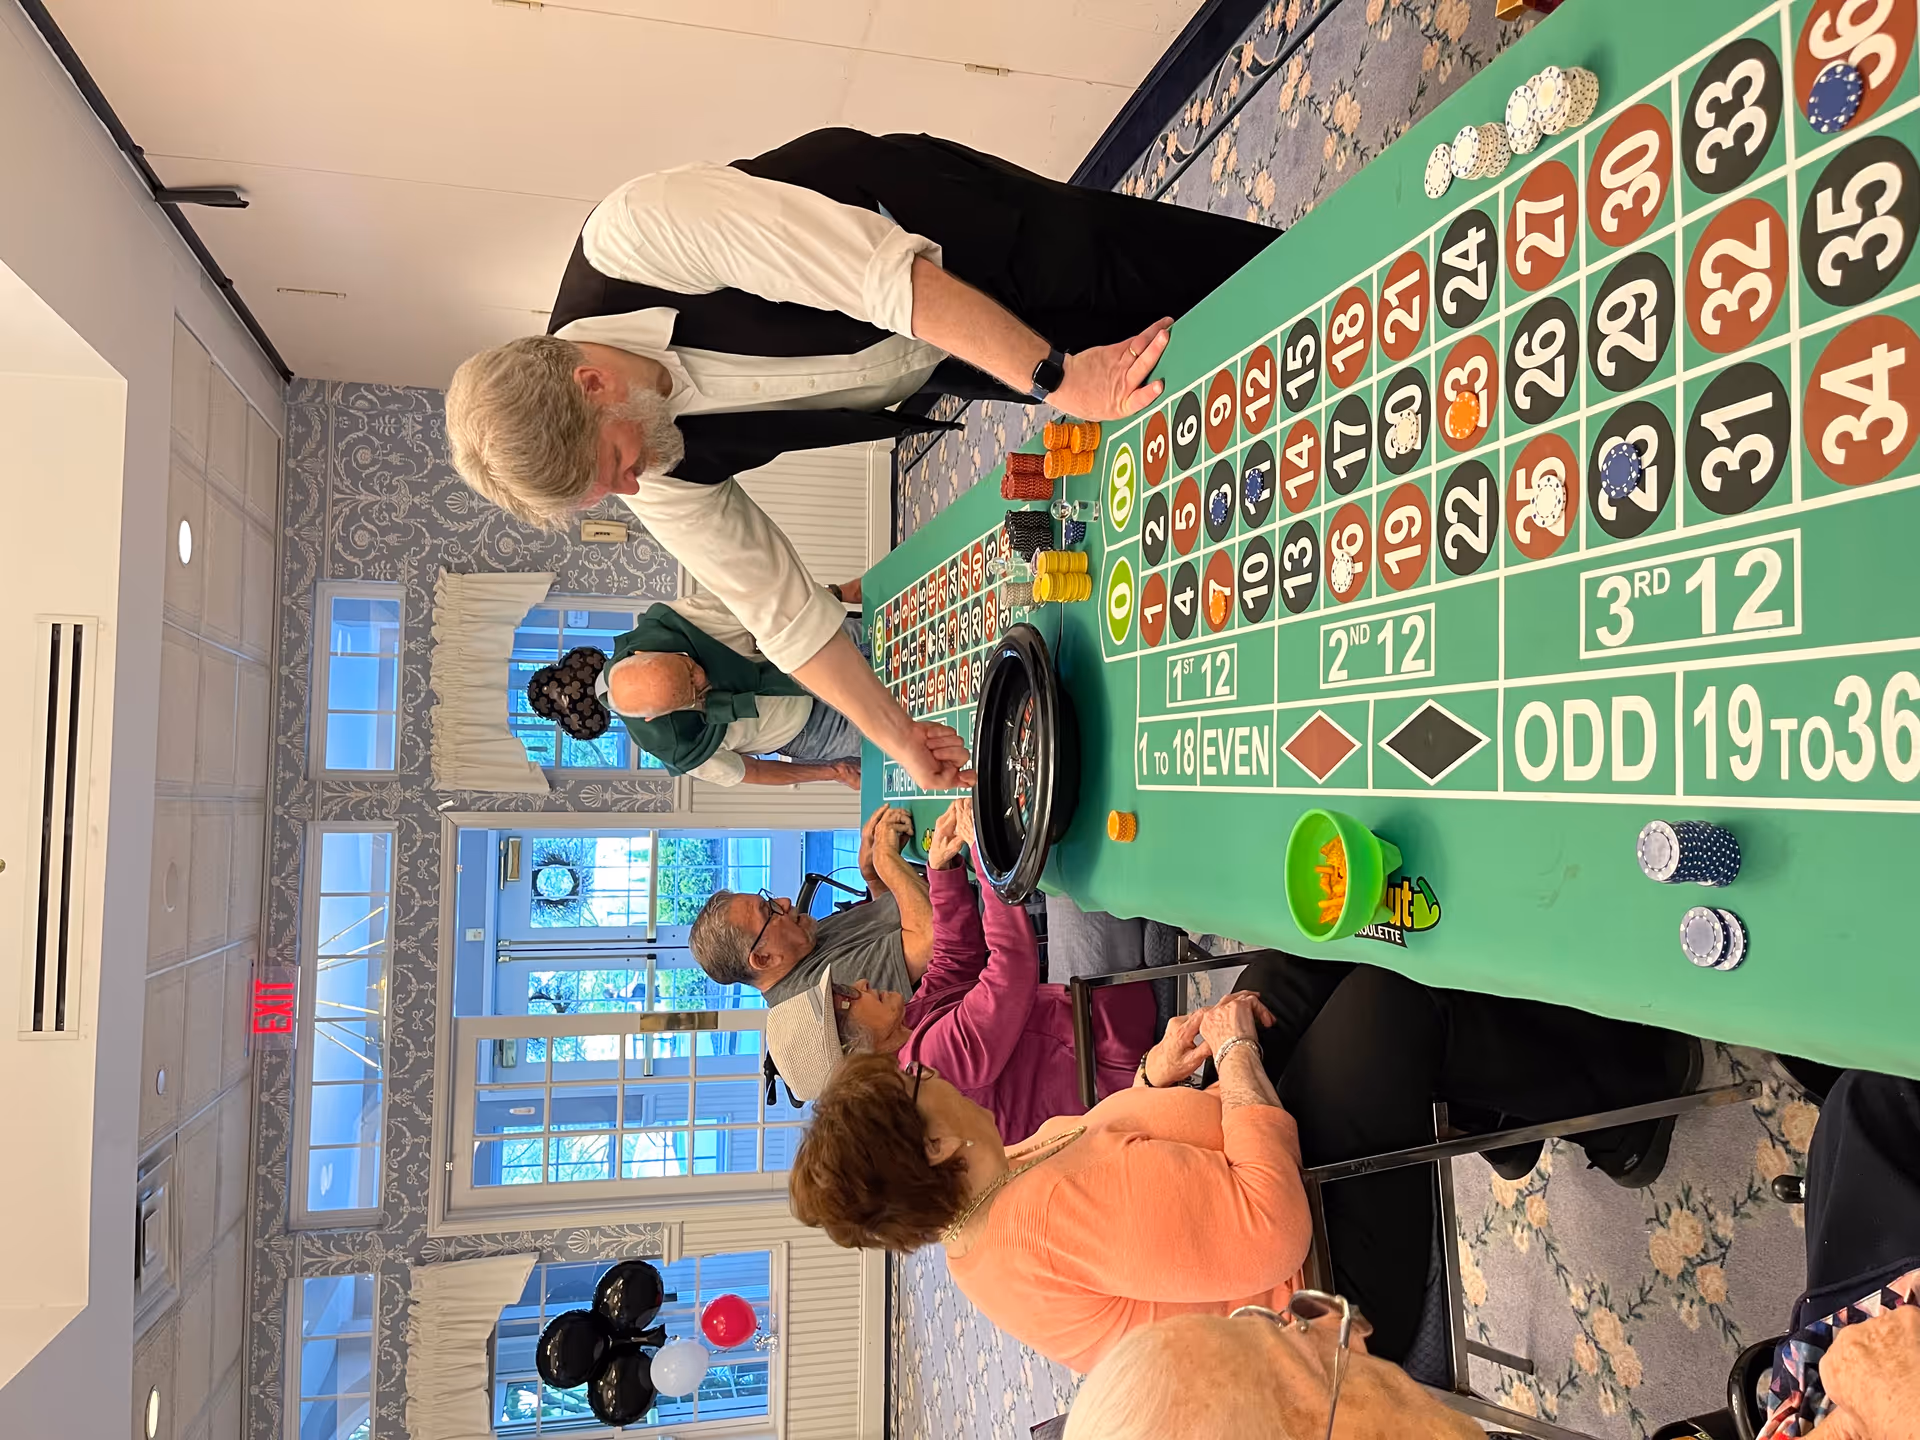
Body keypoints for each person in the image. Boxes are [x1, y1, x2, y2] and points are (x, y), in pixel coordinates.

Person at [444, 128, 1280, 794]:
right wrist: (899, 739)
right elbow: (785, 616)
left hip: (960, 245)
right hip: (937, 353)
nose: (634, 486)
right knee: (1151, 384)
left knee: (1175, 275)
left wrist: (1056, 375)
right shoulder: (647, 475)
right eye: (613, 490)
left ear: (591, 383)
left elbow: (881, 276)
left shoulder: (635, 237)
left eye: (618, 463)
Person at [1065, 1070, 1920, 1440]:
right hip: (1866, 1390)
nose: (1343, 1334)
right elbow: (1270, 1223)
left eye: (1284, 1321)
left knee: (1856, 1121)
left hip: (1802, 1387)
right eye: (1297, 1356)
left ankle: (1560, 1115)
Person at [788, 988, 1313, 1374]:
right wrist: (1235, 1053)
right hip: (1309, 1275)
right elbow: (1272, 1228)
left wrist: (1150, 1077)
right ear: (934, 1145)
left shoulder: (980, 1193)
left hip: (1253, 1147)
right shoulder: (1046, 1214)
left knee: (1280, 981)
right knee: (1364, 1003)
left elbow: (1102, 1140)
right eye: (915, 1079)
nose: (932, 1073)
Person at [1260, 963, 1702, 1366]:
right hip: (1313, 1320)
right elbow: (1253, 1241)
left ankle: (1490, 1116)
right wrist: (1237, 1063)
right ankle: (1624, 1115)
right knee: (1391, 1005)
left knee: (1296, 966)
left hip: (1233, 1178)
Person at [762, 798, 1157, 1140]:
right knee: (1070, 864)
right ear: (856, 1052)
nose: (861, 983)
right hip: (1105, 1051)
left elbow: (954, 961)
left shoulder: (906, 1031)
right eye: (847, 996)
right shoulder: (930, 1068)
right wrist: (984, 861)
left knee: (1057, 860)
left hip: (1069, 1017)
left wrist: (943, 870)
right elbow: (1011, 969)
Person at [526, 578, 866, 788]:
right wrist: (832, 772)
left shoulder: (676, 621)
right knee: (909, 726)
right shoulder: (672, 744)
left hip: (808, 647)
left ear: (647, 652)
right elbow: (751, 771)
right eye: (692, 695)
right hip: (812, 730)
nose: (702, 680)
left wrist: (841, 592)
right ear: (652, 717)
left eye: (689, 669)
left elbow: (767, 605)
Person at [688, 804, 931, 1005]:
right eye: (770, 911)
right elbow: (931, 938)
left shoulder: (802, 942)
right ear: (764, 958)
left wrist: (874, 877)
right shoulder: (824, 991)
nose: (783, 902)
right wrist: (887, 860)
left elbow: (886, 925)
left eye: (768, 899)